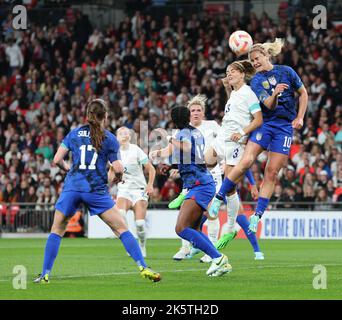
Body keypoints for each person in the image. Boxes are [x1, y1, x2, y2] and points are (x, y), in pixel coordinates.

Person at [33, 98, 160, 284]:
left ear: (87, 115)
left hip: (73, 187)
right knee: (121, 228)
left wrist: (70, 169)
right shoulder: (109, 138)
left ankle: (45, 274)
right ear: (105, 116)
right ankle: (142, 266)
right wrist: (116, 177)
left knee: (57, 229)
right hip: (96, 190)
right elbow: (118, 168)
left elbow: (57, 159)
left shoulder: (74, 133)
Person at [209, 39, 308, 234]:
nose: (255, 63)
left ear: (266, 55)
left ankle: (257, 216)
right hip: (267, 124)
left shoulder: (287, 71)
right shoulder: (255, 81)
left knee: (271, 172)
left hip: (284, 128)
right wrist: (276, 94)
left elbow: (303, 93)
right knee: (246, 161)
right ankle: (218, 197)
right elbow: (269, 105)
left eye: (256, 59)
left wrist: (300, 117)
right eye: (252, 61)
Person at [150, 106, 231, 277]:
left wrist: (169, 138)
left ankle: (218, 258)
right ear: (187, 117)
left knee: (181, 228)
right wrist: (161, 155)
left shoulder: (182, 134)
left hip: (199, 185)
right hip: (201, 183)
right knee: (194, 229)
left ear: (174, 119)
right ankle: (219, 260)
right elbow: (183, 153)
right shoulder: (194, 132)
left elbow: (185, 148)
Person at [202, 60, 265, 260]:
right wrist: (227, 90)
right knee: (206, 158)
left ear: (241, 74)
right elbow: (235, 111)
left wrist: (243, 132)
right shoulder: (235, 94)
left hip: (236, 142)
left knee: (230, 186)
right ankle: (202, 191)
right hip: (223, 136)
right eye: (227, 72)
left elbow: (258, 119)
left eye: (232, 72)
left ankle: (230, 227)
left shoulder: (249, 93)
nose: (228, 75)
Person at [170, 94, 223, 262]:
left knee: (209, 214)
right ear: (188, 113)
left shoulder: (212, 126)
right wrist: (177, 170)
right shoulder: (184, 132)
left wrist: (222, 162)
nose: (195, 113)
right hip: (194, 177)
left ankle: (212, 253)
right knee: (189, 220)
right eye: (192, 110)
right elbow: (184, 154)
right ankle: (188, 248)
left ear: (203, 112)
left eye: (199, 110)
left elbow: (222, 144)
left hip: (209, 175)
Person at [115, 126, 156, 257]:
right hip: (124, 190)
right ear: (116, 138)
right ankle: (131, 243)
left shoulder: (136, 150)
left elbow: (151, 169)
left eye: (126, 133)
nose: (124, 135)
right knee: (120, 215)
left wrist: (150, 185)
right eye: (121, 133)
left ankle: (142, 245)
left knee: (140, 224)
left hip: (139, 190)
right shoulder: (114, 153)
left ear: (130, 136)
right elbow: (111, 173)